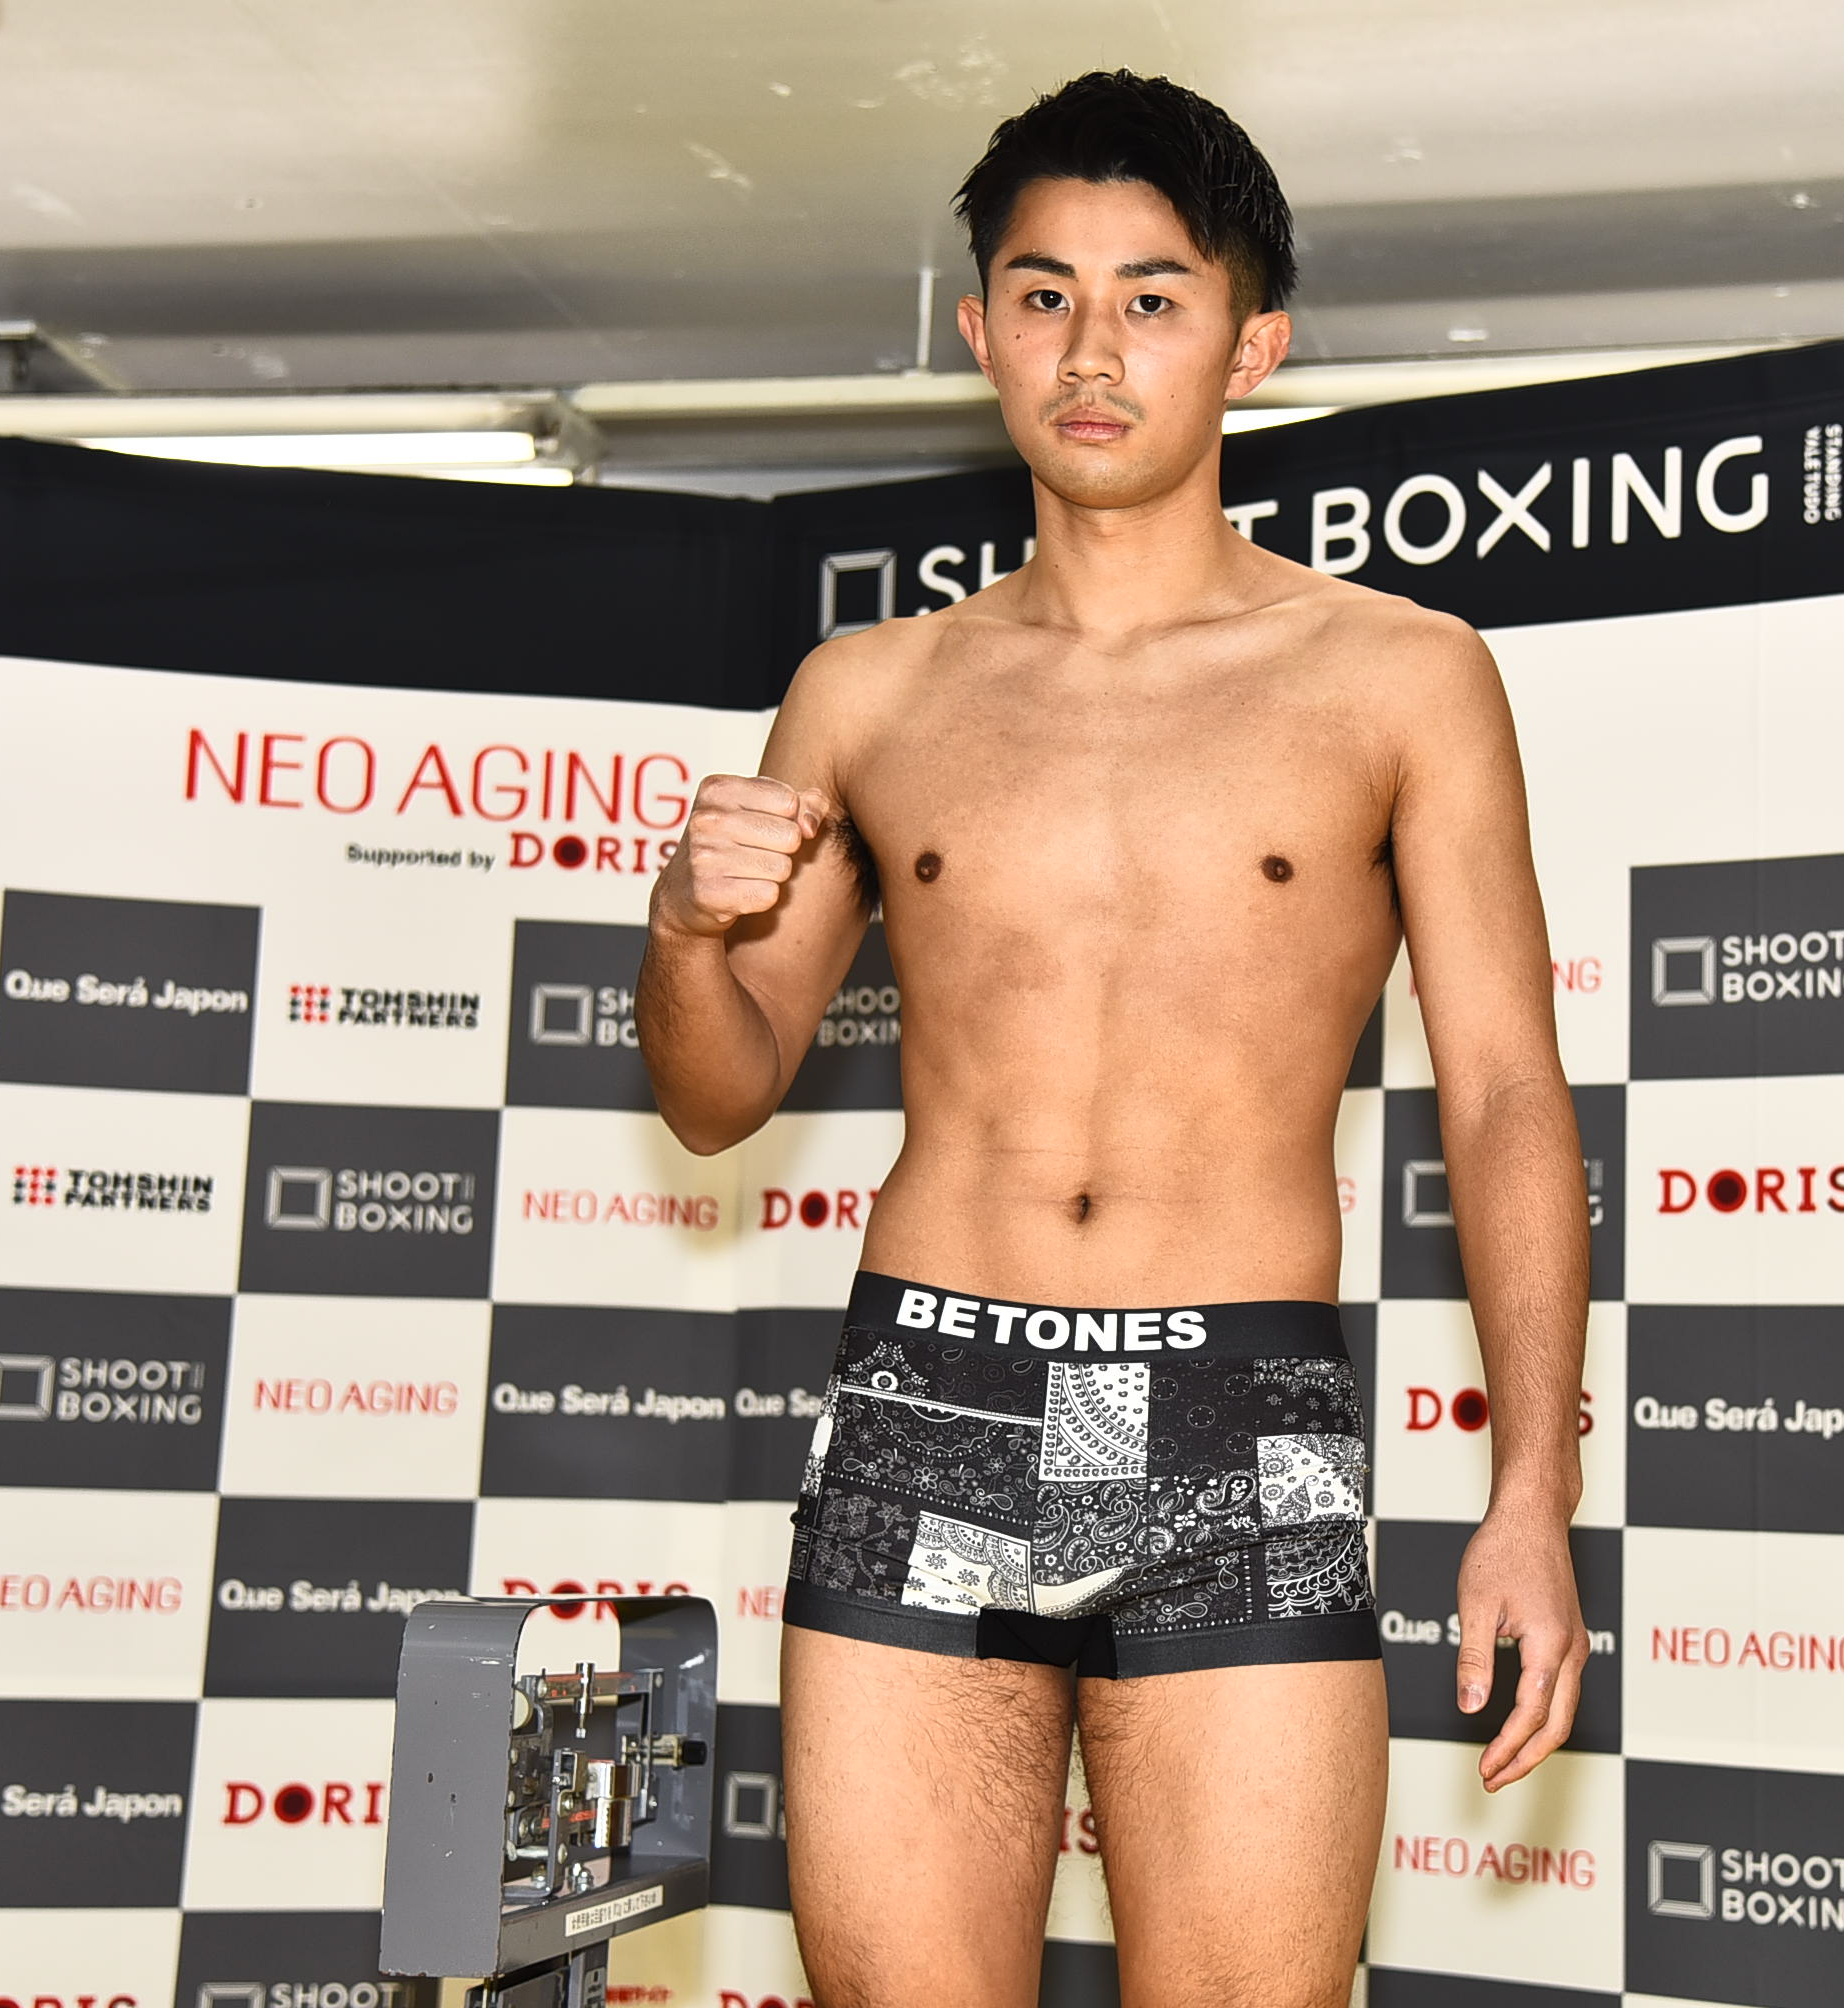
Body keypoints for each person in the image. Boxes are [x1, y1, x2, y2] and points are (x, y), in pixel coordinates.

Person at [636, 69, 1590, 2008]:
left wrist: (1530, 1490)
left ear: (1252, 342)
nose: (1091, 350)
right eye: (1044, 294)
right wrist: (680, 929)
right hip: (933, 1394)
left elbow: (1501, 1088)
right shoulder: (866, 689)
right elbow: (718, 1094)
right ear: (979, 328)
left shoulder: (1398, 675)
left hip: (1238, 1410)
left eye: (1152, 297)